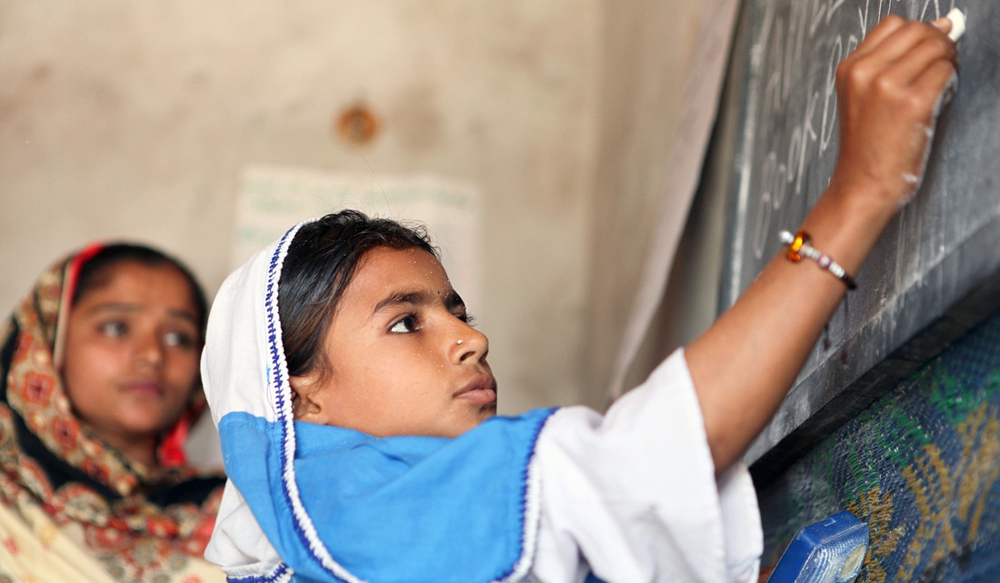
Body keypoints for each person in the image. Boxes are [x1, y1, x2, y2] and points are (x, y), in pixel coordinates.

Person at [201, 14, 960, 583]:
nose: (471, 340)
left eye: (457, 311)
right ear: (301, 397)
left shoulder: (349, 540)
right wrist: (858, 192)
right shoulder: (348, 511)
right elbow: (629, 471)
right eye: (406, 322)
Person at [0, 243, 228, 583]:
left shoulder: (243, 512)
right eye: (116, 328)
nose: (152, 355)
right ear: (48, 340)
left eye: (178, 337)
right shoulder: (8, 500)